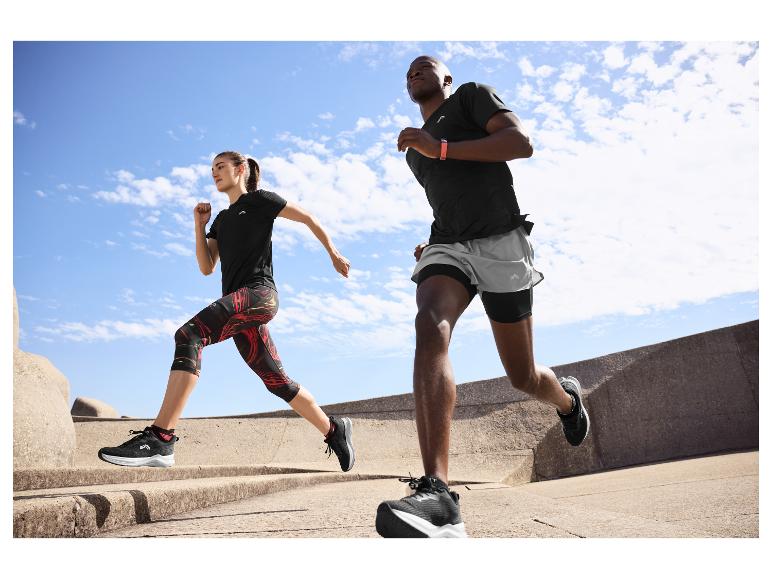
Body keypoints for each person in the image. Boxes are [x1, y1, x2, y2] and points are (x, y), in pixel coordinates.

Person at [375, 56, 590, 538]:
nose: (413, 73)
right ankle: (437, 495)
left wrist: (440, 146)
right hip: (448, 245)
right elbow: (448, 198)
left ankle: (566, 399)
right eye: (407, 72)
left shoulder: (471, 97)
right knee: (429, 322)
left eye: (424, 67)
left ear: (445, 78)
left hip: (501, 241)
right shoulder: (414, 153)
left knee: (523, 375)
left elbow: (520, 144)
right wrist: (434, 242)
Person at [98, 151, 355, 472]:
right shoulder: (221, 220)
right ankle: (334, 429)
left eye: (221, 167)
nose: (215, 173)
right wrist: (199, 225)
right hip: (240, 310)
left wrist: (333, 253)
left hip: (259, 295)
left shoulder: (261, 201)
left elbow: (307, 217)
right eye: (212, 169)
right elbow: (207, 266)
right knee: (277, 382)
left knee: (189, 334)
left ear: (240, 169)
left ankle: (161, 438)